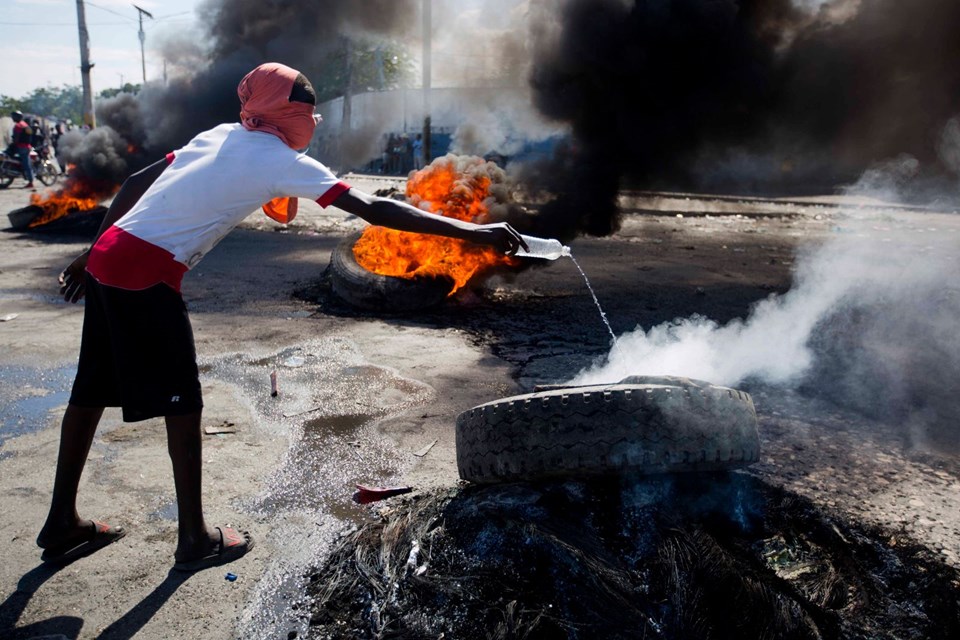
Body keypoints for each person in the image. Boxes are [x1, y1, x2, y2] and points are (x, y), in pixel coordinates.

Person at [38, 62, 526, 572]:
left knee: (91, 388)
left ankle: (61, 523)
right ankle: (193, 539)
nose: (313, 116)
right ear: (294, 114)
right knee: (183, 403)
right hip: (146, 271)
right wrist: (480, 233)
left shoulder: (221, 133)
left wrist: (92, 251)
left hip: (111, 254)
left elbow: (138, 181)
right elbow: (376, 211)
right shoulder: (282, 160)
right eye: (308, 107)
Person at [9, 110, 34, 189]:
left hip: (22, 147)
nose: (12, 118)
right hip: (26, 146)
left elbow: (16, 137)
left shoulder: (18, 126)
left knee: (26, 164)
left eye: (14, 116)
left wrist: (13, 144)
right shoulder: (24, 124)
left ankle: (31, 182)